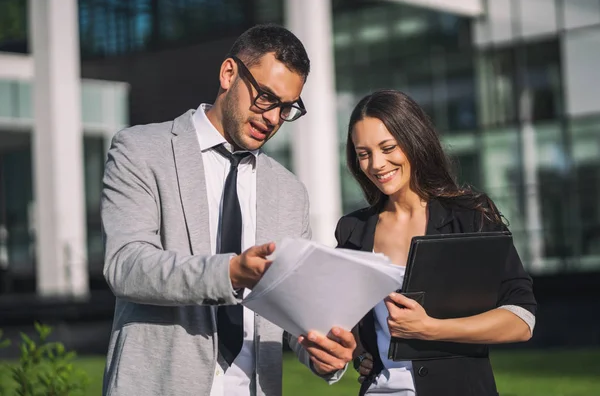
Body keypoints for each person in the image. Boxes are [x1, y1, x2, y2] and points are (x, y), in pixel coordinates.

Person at [100, 24, 355, 396]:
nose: (272, 118)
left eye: (286, 108)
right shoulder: (139, 150)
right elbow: (126, 265)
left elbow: (292, 308)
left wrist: (321, 350)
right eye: (266, 97)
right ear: (229, 74)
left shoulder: (289, 191)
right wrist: (230, 272)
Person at [336, 90, 536, 396]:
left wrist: (431, 329)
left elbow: (522, 319)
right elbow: (340, 314)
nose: (376, 164)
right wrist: (360, 354)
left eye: (387, 147)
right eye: (364, 154)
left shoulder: (470, 216)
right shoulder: (353, 230)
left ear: (414, 140)